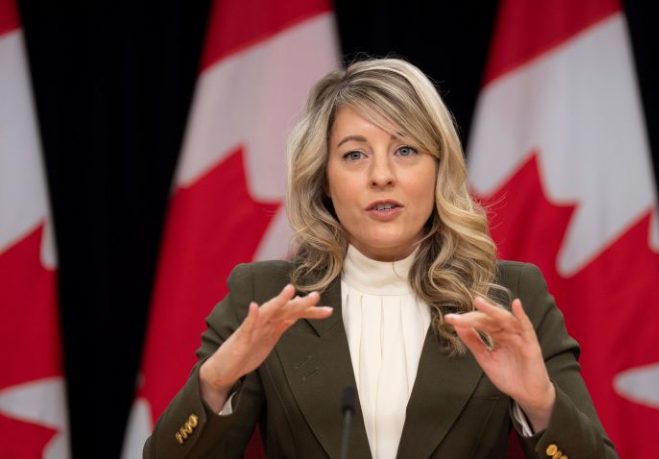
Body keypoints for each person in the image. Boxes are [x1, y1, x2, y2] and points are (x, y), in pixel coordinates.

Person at [144, 58, 617, 459]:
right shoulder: (267, 297)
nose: (382, 175)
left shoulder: (507, 298)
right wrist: (215, 384)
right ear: (324, 178)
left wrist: (540, 404)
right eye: (354, 155)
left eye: (406, 150)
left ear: (439, 168)